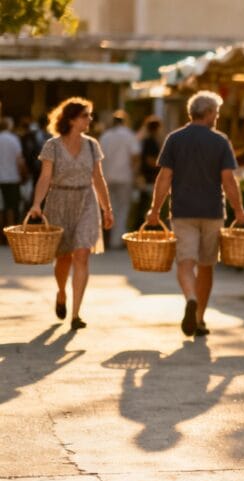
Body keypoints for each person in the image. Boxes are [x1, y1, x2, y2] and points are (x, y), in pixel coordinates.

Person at [146, 91, 244, 338]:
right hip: (212, 212)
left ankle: (190, 298)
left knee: (185, 262)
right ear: (210, 113)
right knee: (206, 266)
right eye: (217, 112)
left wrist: (154, 209)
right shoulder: (220, 141)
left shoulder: (174, 139)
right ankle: (200, 317)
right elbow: (228, 180)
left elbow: (164, 178)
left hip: (182, 212)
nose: (218, 116)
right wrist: (239, 211)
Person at [26, 98, 115, 330]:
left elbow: (98, 178)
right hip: (59, 201)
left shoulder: (92, 145)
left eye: (89, 115)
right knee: (63, 257)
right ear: (72, 119)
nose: (90, 119)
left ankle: (76, 314)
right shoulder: (52, 145)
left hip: (86, 200)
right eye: (86, 115)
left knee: (82, 253)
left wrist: (107, 208)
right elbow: (45, 177)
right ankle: (62, 292)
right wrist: (37, 203)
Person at [99, 110, 140, 248]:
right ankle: (117, 240)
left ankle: (109, 238)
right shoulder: (129, 135)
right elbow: (135, 156)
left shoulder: (105, 136)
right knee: (123, 208)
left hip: (107, 177)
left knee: (109, 208)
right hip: (124, 176)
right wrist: (135, 174)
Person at [0, 118, 27, 237]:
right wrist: (23, 175)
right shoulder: (13, 139)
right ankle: (9, 235)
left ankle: (0, 236)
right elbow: (19, 160)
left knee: (0, 208)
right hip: (12, 178)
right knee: (11, 206)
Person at [135, 115, 162, 230]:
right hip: (150, 176)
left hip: (148, 176)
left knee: (145, 202)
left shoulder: (146, 140)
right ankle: (147, 227)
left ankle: (145, 226)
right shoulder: (150, 141)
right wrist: (162, 165)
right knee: (147, 203)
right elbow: (149, 160)